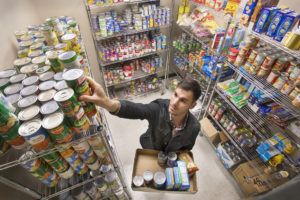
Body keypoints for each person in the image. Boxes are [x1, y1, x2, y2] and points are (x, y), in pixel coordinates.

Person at [80, 77, 201, 152]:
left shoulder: (194, 127)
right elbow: (137, 109)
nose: (174, 102)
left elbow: (187, 148)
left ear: (192, 105)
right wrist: (108, 103)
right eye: (175, 95)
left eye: (183, 100)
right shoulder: (158, 109)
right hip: (150, 147)